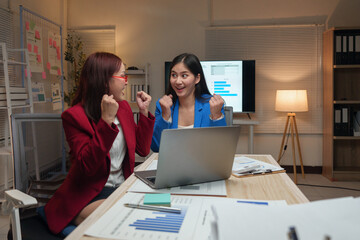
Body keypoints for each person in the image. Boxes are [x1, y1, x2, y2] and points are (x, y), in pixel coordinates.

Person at [44, 52, 155, 235]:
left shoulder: (124, 108)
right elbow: (88, 166)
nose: (126, 82)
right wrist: (106, 121)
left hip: (120, 189)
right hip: (88, 195)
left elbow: (143, 150)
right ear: (105, 81)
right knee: (128, 221)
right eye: (122, 76)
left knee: (149, 213)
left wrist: (143, 113)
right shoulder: (74, 116)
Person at [151, 53, 227, 152]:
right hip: (173, 165)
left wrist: (217, 116)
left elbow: (222, 148)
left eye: (184, 75)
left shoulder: (211, 105)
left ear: (197, 78)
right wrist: (165, 116)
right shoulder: (163, 106)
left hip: (204, 166)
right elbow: (156, 147)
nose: (178, 81)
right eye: (174, 75)